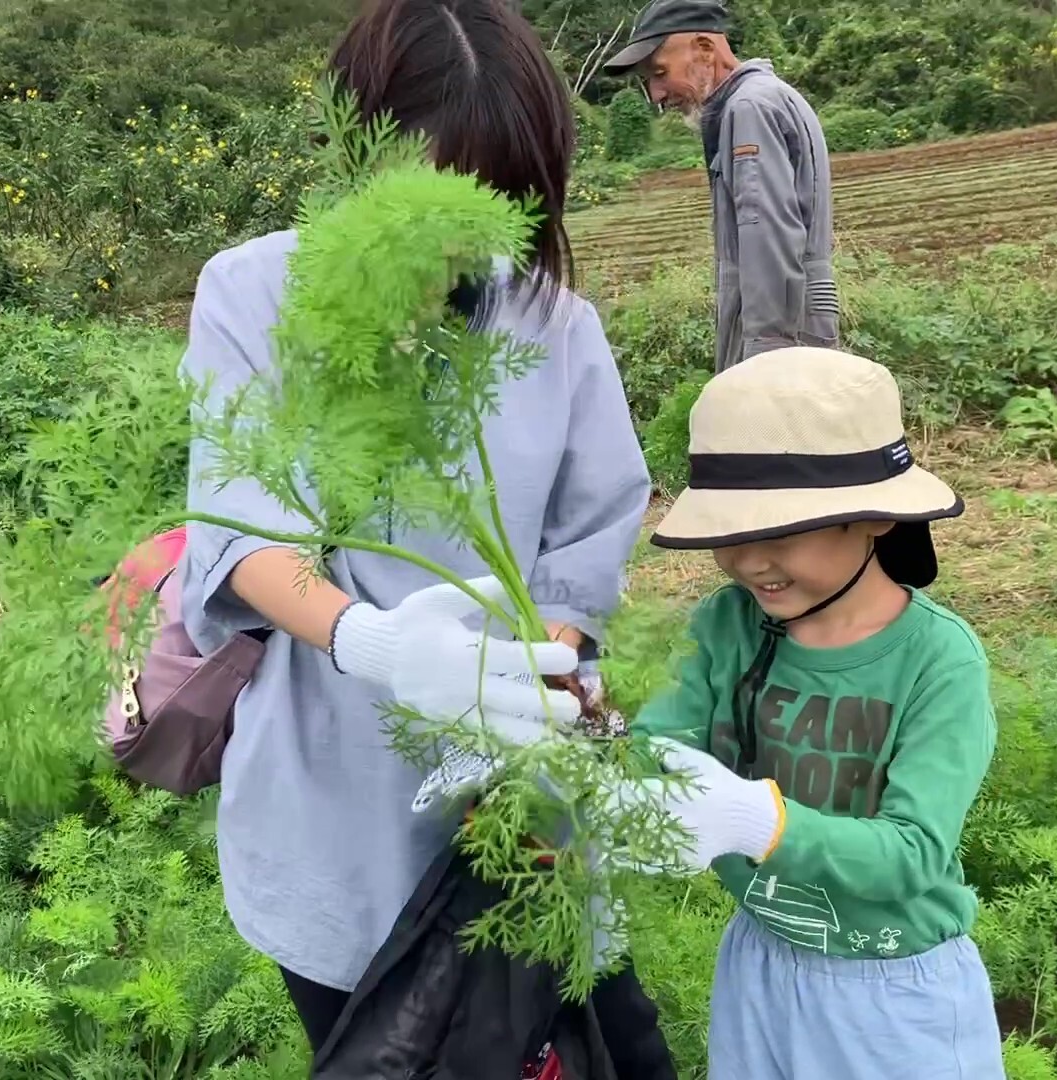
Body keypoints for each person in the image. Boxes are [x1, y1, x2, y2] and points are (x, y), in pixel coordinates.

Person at [177, 0, 674, 1073]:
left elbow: (590, 532)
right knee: (376, 1045)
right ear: (360, 156)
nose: (467, 234)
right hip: (334, 784)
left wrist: (544, 667)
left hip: (518, 795)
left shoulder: (554, 323)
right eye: (436, 192)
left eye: (501, 194)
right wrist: (380, 644)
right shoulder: (254, 293)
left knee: (560, 1033)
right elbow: (241, 529)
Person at [612, 346, 1008, 1079]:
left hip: (890, 987)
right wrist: (580, 753)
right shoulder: (725, 625)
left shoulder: (937, 661)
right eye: (729, 536)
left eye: (780, 533)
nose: (749, 561)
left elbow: (912, 854)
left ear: (876, 519)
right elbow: (657, 745)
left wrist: (761, 823)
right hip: (760, 953)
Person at [602, 0, 839, 370]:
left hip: (779, 337)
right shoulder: (769, 96)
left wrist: (764, 358)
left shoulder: (748, 109)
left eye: (660, 72)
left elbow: (768, 235)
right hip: (799, 327)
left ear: (705, 49)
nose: (656, 95)